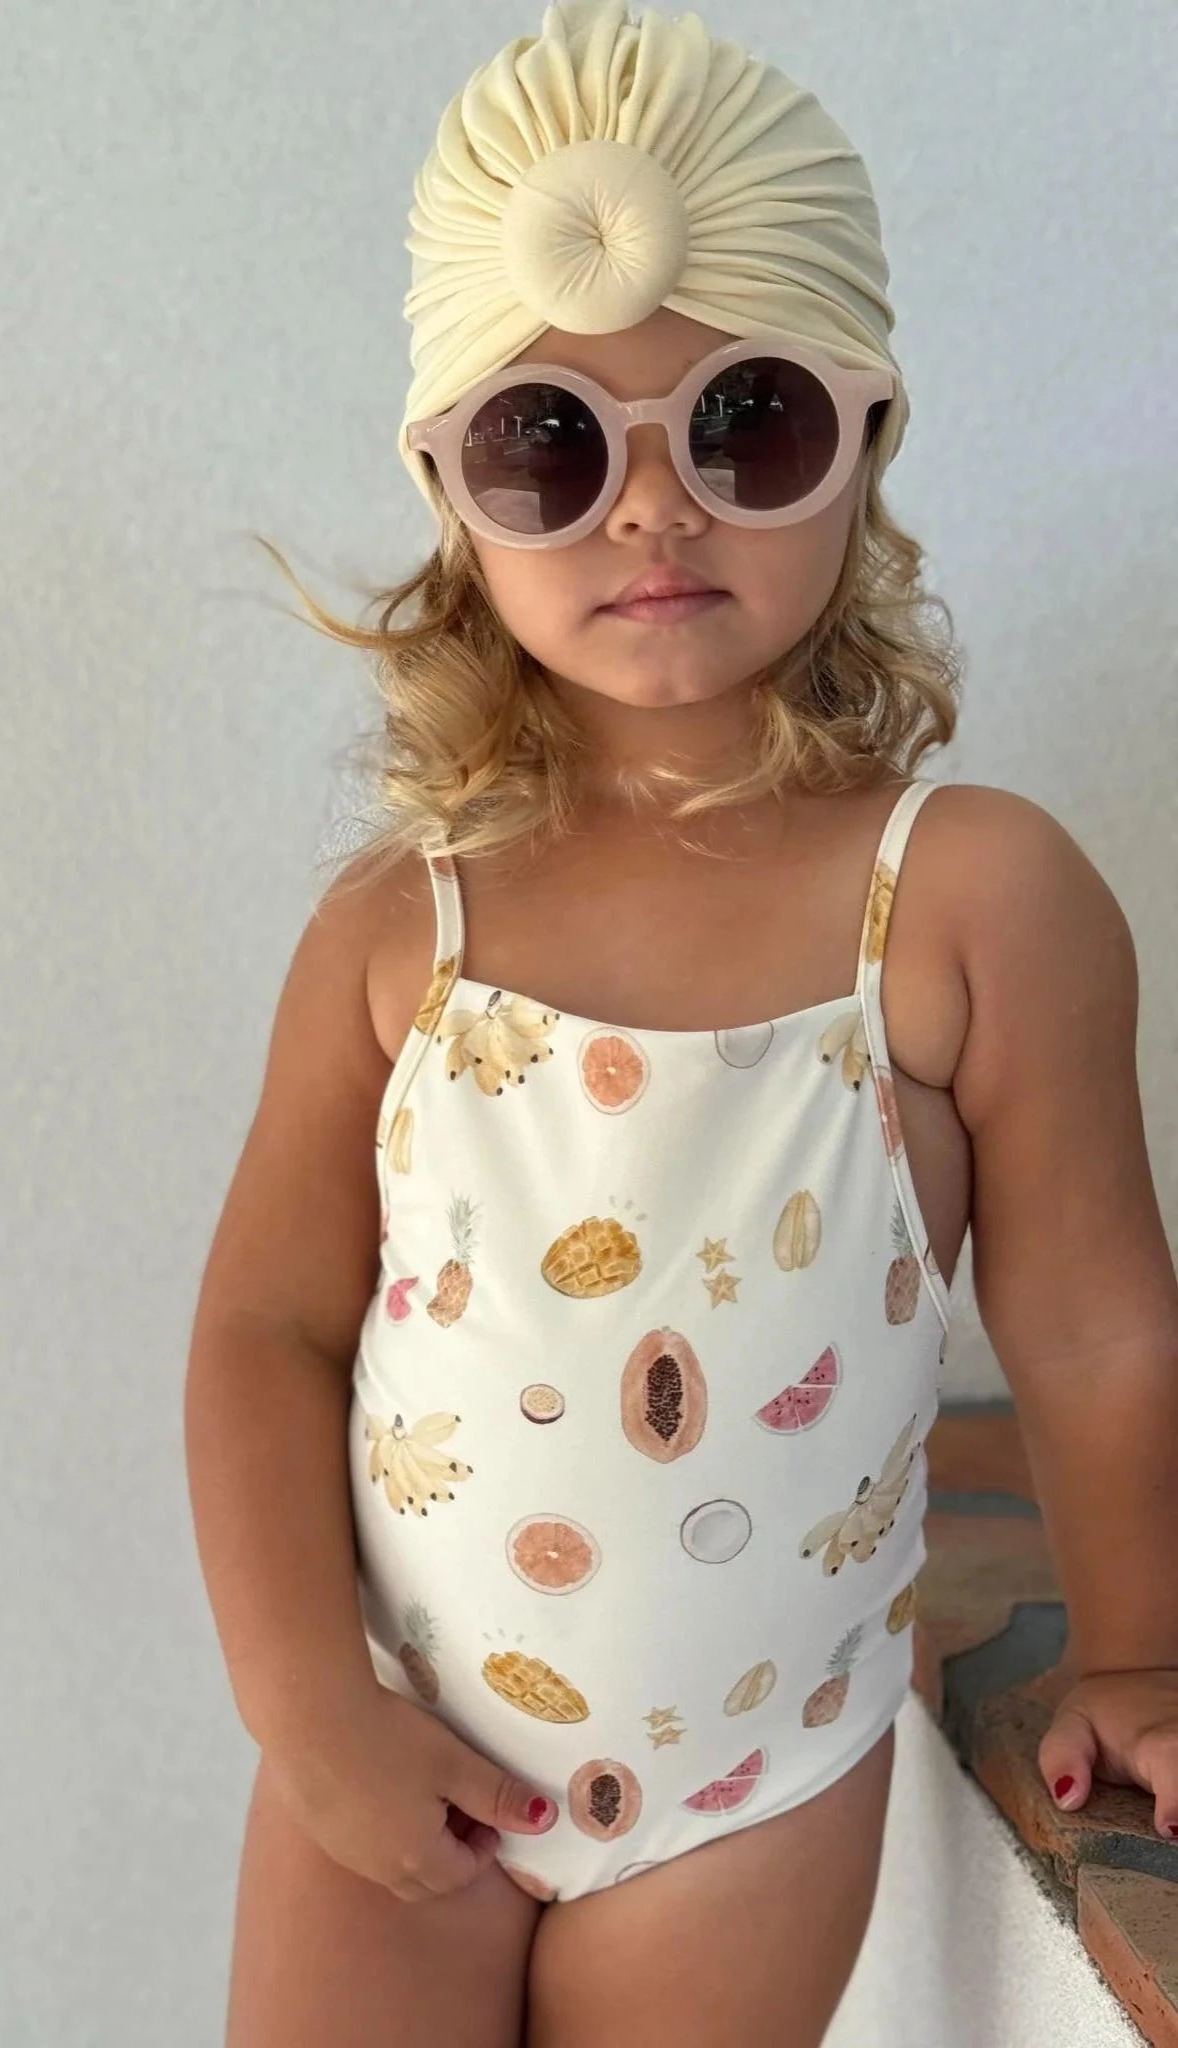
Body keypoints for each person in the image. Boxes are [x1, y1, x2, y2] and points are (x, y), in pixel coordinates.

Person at [184, 5, 1178, 2043]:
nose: (651, 511)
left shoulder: (970, 899)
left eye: (743, 426)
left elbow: (1089, 1315)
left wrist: (1144, 1650)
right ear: (454, 491)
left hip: (748, 1792)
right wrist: (305, 1711)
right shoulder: (400, 932)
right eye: (551, 443)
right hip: (397, 1760)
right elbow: (264, 1328)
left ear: (863, 435)